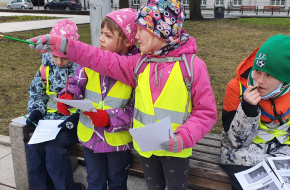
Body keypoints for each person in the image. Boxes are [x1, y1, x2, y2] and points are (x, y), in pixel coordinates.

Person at [27, 1, 217, 189]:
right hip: (146, 148)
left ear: (162, 30)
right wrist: (61, 45)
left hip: (176, 149)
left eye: (142, 29)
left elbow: (206, 112)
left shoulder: (192, 66)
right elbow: (98, 58)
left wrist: (184, 137)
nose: (136, 36)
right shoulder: (140, 63)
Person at [55, 8, 139, 190]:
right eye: (101, 33)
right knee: (94, 181)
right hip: (90, 139)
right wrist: (67, 96)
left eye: (108, 35)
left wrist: (110, 118)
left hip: (117, 142)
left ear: (127, 40)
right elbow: (76, 85)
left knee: (117, 183)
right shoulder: (91, 62)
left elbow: (139, 110)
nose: (101, 38)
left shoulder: (136, 71)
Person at [219, 34, 290, 190]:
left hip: (282, 151)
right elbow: (236, 141)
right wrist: (248, 109)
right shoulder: (236, 87)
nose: (259, 80)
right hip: (244, 154)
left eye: (269, 75)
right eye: (257, 70)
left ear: (285, 80)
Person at [25, 19, 85, 190]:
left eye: (64, 58)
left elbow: (90, 97)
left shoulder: (82, 68)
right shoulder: (45, 67)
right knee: (35, 148)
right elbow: (36, 91)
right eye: (55, 56)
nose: (59, 62)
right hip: (48, 121)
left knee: (54, 150)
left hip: (73, 120)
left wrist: (78, 113)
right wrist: (36, 110)